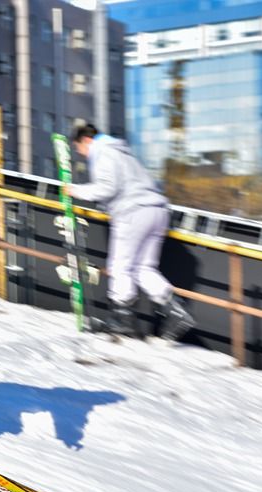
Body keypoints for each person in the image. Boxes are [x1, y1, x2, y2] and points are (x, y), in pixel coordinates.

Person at [67, 124, 194, 340]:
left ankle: (122, 319)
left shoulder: (103, 152)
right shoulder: (123, 153)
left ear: (87, 140)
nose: (80, 153)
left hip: (132, 212)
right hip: (157, 211)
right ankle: (175, 310)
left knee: (120, 266)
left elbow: (107, 187)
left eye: (79, 147)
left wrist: (75, 190)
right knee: (143, 268)